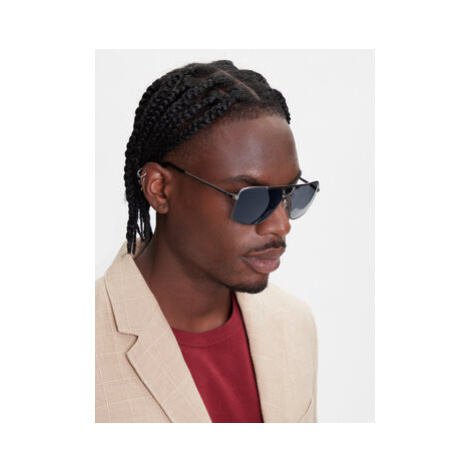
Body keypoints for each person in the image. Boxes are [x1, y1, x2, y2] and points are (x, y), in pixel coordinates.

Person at [95, 59, 320, 423]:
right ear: (159, 189)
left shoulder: (294, 323)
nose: (281, 225)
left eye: (291, 193)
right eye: (251, 198)